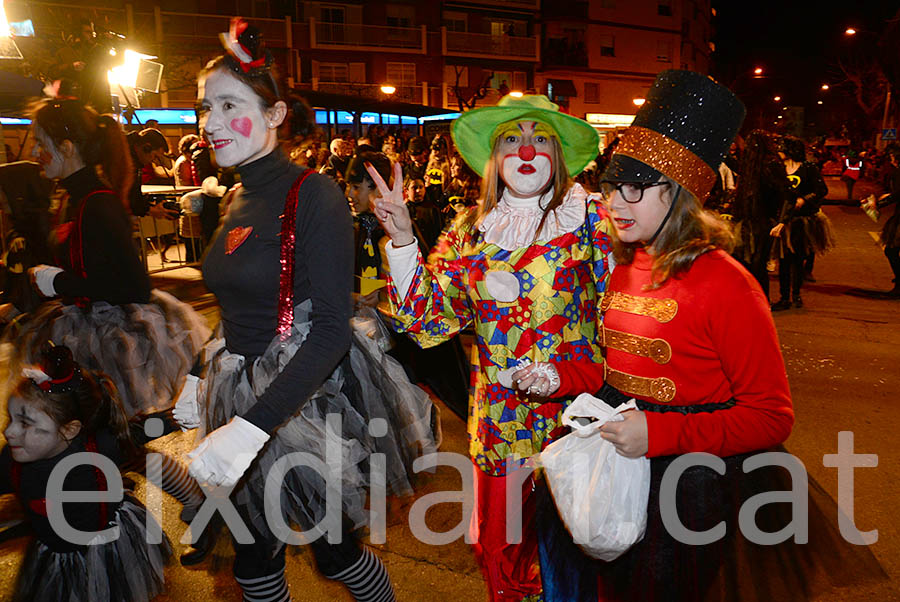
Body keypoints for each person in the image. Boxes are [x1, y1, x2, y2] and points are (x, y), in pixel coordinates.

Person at [513, 69, 885, 602]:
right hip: (618, 471)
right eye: (611, 184)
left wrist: (661, 436)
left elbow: (770, 415)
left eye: (635, 187)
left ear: (680, 192)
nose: (615, 202)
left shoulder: (728, 285)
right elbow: (625, 372)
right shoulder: (627, 262)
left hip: (690, 488)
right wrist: (560, 377)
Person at [176, 19, 433, 601]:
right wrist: (198, 373)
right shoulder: (237, 194)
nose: (209, 123)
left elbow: (329, 334)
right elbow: (241, 298)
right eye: (202, 108)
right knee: (251, 558)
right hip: (235, 391)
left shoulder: (310, 193)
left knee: (336, 551)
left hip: (300, 404)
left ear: (274, 115)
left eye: (227, 105)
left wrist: (250, 429)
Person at [373, 94, 612, 601]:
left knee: (576, 555)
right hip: (499, 426)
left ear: (558, 153)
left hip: (576, 422)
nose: (525, 150)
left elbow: (624, 311)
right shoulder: (470, 231)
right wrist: (400, 241)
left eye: (539, 138)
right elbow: (430, 323)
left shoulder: (590, 220)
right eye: (511, 139)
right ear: (494, 158)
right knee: (504, 555)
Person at [7, 96, 211, 564]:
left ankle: (184, 505)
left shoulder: (96, 202)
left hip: (111, 335)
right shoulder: (74, 196)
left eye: (40, 143)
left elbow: (132, 284)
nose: (35, 153)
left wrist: (58, 280)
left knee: (111, 440)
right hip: (77, 330)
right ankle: (191, 501)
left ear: (66, 145)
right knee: (106, 440)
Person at [1, 344, 171, 601]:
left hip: (105, 549)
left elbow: (142, 429)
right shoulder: (10, 459)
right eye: (10, 418)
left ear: (70, 430)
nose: (9, 432)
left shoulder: (99, 450)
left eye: (25, 423)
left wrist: (178, 417)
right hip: (53, 553)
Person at [770, 136, 833, 310]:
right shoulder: (778, 169)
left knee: (797, 260)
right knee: (783, 260)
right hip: (782, 220)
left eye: (782, 148)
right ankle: (784, 298)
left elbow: (821, 190)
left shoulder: (808, 168)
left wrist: (804, 200)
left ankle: (796, 295)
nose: (779, 151)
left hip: (801, 222)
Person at [732, 130, 792, 300]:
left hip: (763, 222)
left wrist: (781, 221)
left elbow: (786, 193)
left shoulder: (768, 165)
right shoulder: (751, 165)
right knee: (749, 265)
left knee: (757, 265)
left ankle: (760, 302)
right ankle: (753, 301)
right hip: (750, 221)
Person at [126, 128, 178, 219]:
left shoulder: (135, 161)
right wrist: (149, 209)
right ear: (147, 147)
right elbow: (128, 198)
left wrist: (148, 205)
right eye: (155, 156)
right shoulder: (127, 162)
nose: (152, 161)